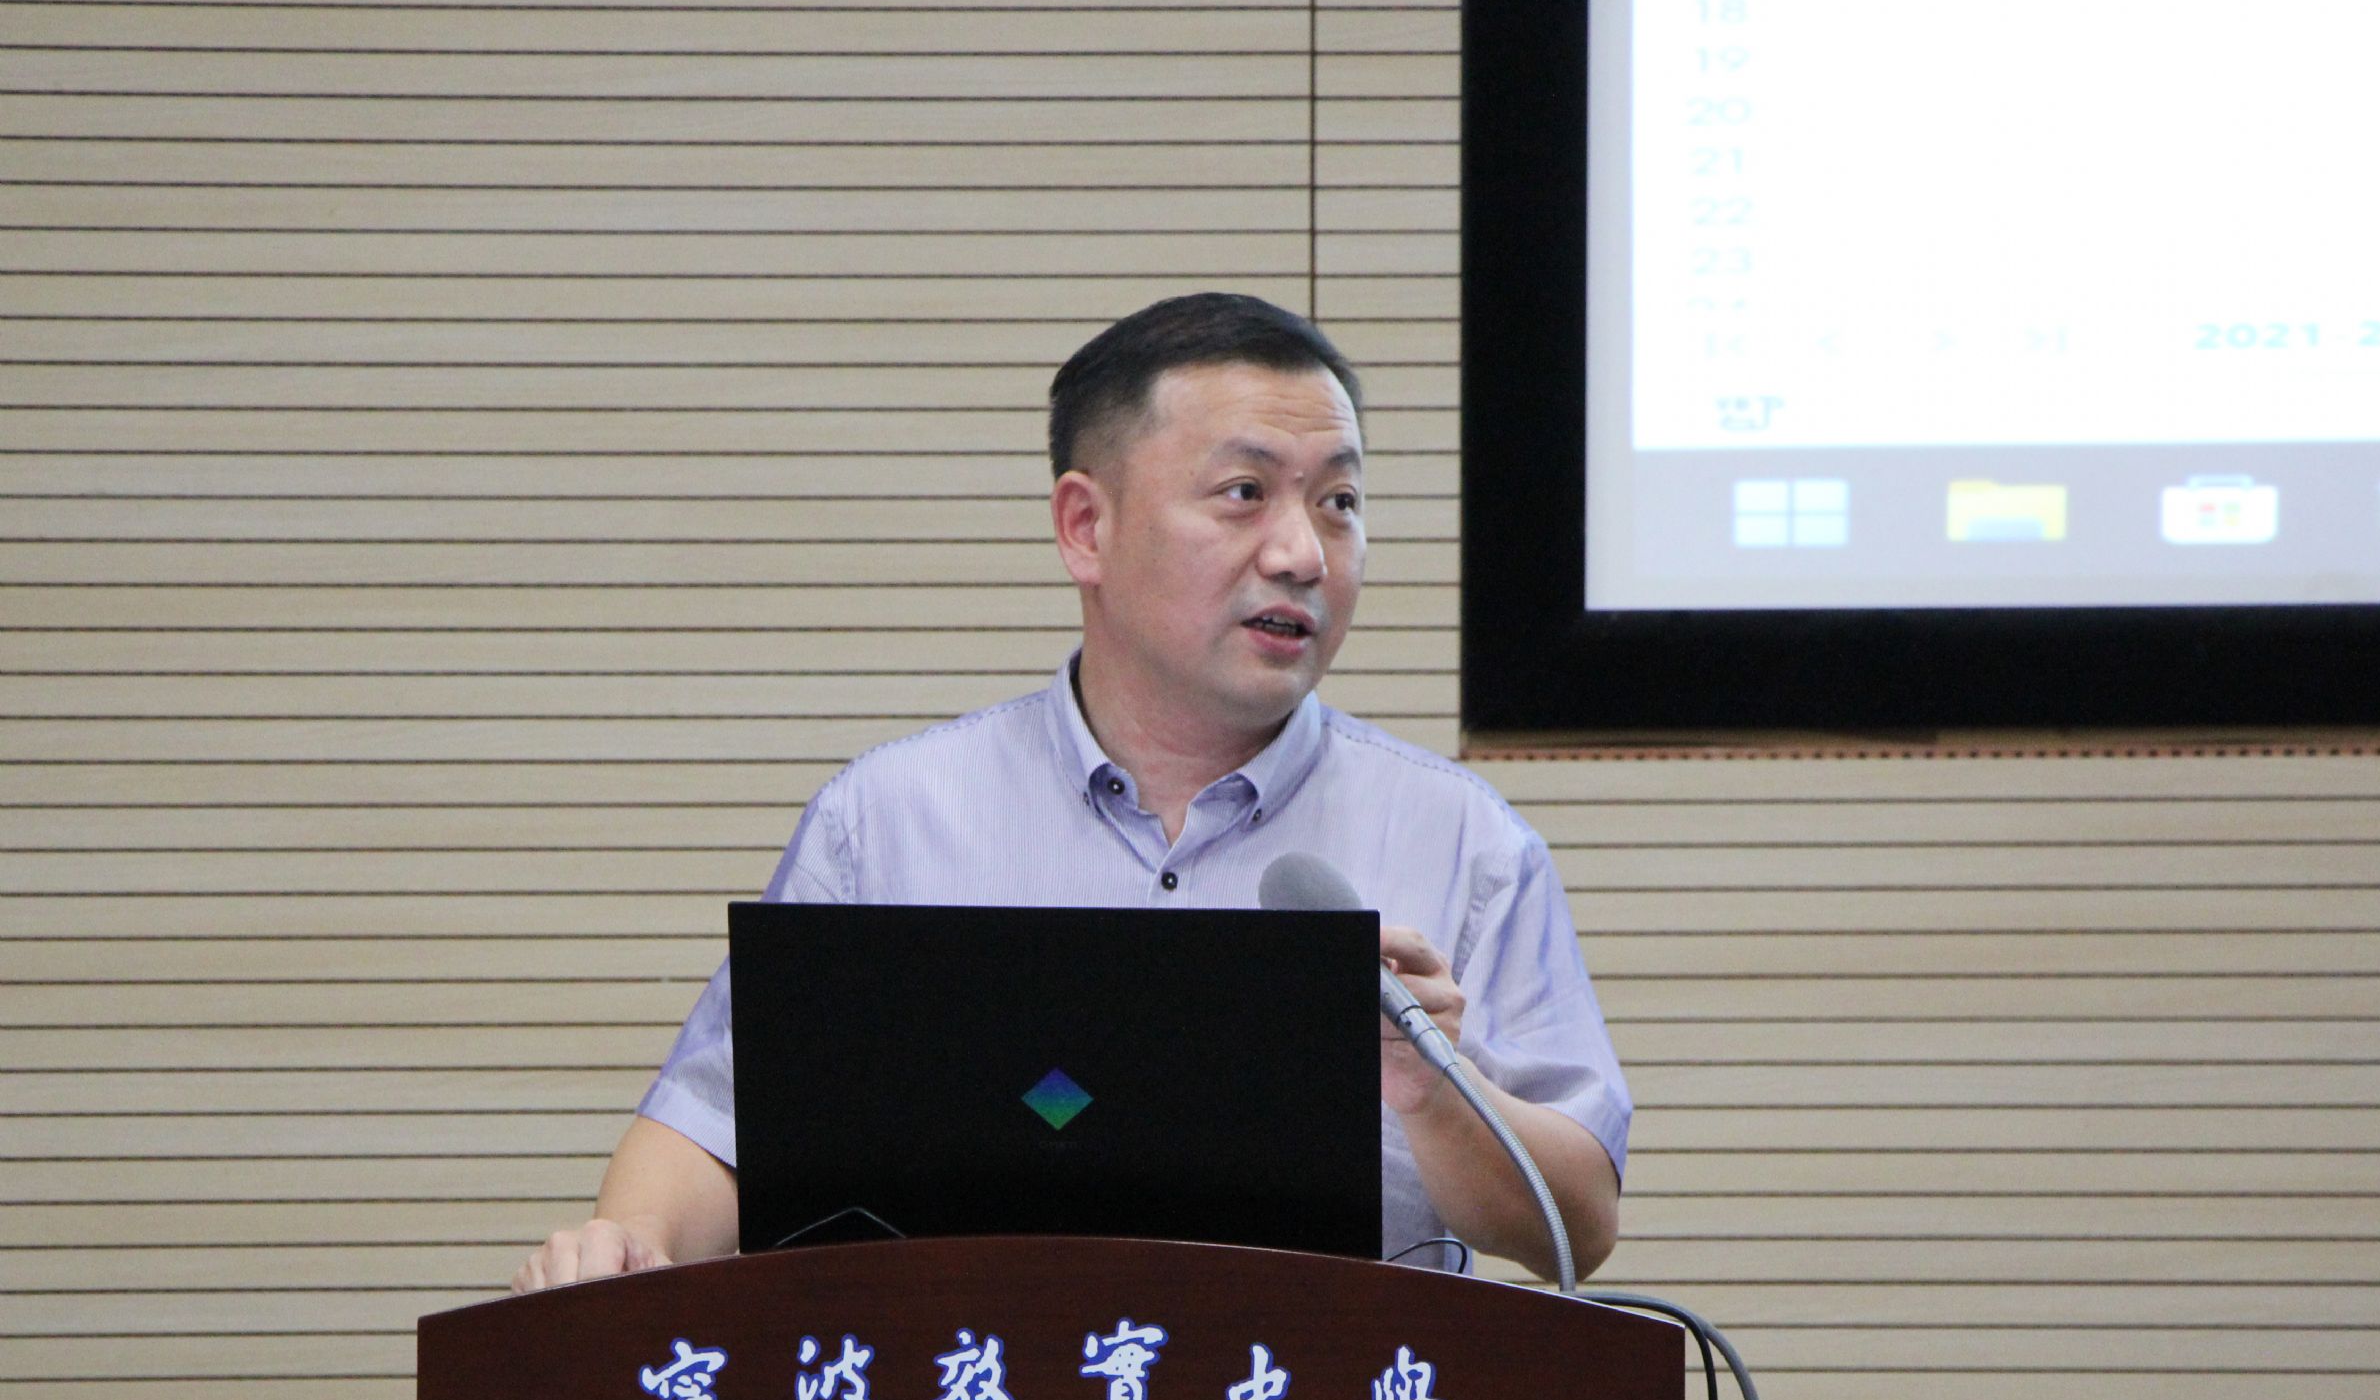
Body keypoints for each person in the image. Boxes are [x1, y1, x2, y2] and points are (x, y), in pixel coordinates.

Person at [513, 293, 1630, 1293]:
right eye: (1245, 494)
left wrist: (1435, 1092)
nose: (1302, 553)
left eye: (1339, 501)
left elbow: (1574, 1227)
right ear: (1086, 527)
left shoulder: (1463, 841)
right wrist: (627, 1245)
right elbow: (719, 1128)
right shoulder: (891, 821)